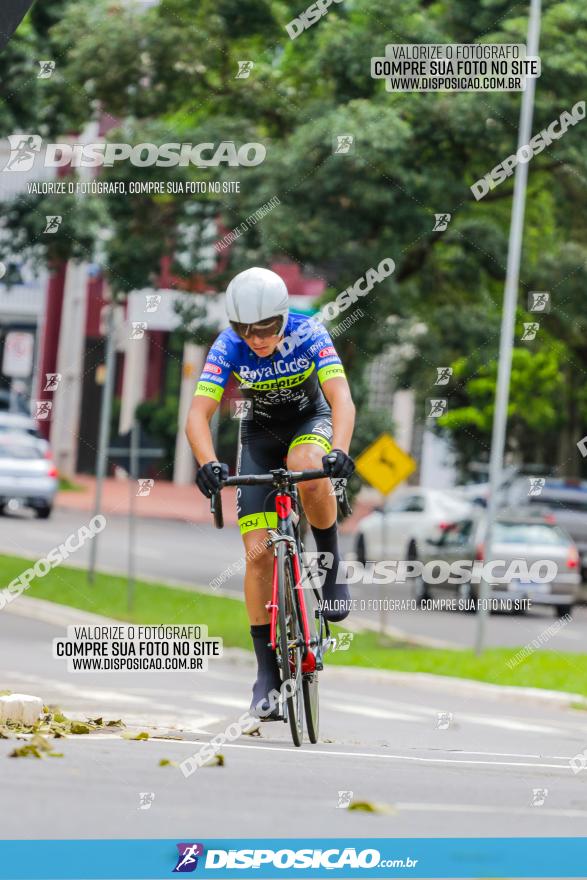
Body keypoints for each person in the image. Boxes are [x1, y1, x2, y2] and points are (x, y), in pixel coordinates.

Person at [186, 267, 356, 718]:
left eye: (265, 328)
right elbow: (198, 415)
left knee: (307, 465)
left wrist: (338, 451)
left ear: (283, 317)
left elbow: (341, 397)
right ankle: (266, 672)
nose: (256, 338)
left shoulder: (309, 331)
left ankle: (332, 566)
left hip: (309, 424)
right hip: (258, 438)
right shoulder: (227, 345)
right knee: (258, 553)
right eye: (246, 329)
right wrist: (207, 464)